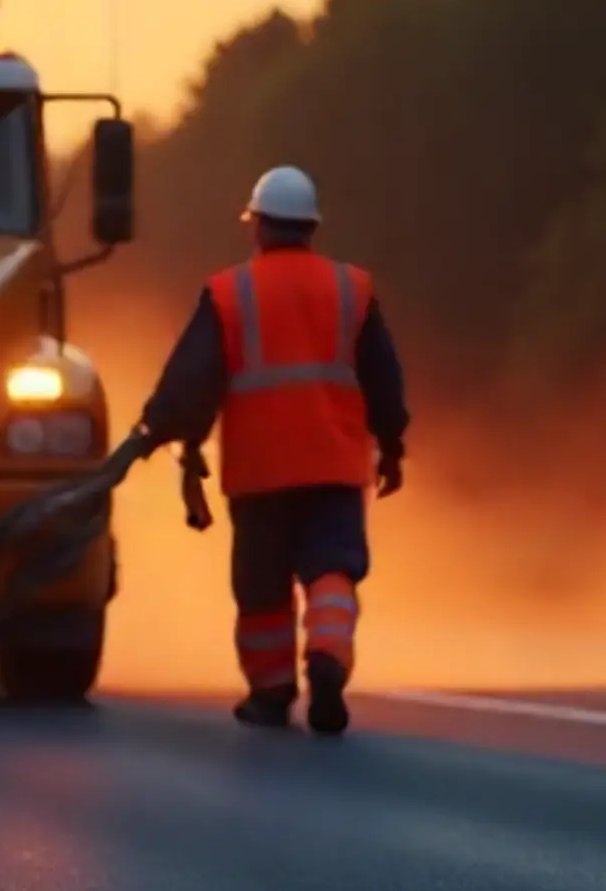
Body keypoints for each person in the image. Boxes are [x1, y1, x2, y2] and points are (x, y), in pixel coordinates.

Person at [129, 166, 409, 735]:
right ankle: (328, 659)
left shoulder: (230, 292)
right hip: (333, 465)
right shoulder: (351, 288)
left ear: (257, 225)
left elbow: (192, 379)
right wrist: (393, 443)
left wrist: (160, 430)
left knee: (262, 588)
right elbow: (384, 376)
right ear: (311, 228)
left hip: (260, 472)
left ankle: (270, 692)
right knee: (332, 569)